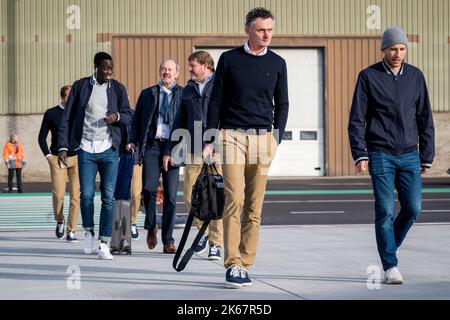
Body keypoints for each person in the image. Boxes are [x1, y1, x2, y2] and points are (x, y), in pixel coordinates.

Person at [203, 7, 289, 288]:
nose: (267, 35)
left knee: (254, 206)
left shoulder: (278, 63)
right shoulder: (229, 60)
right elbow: (215, 100)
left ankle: (245, 262)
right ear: (248, 30)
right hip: (232, 136)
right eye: (261, 30)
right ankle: (232, 264)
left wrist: (276, 137)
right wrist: (209, 138)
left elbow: (282, 103)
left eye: (270, 30)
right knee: (235, 199)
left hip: (263, 139)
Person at [348, 26, 435, 284]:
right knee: (385, 210)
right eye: (393, 49)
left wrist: (426, 154)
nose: (397, 53)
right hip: (380, 154)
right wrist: (360, 153)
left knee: (413, 208)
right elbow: (356, 119)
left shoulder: (415, 76)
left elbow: (425, 118)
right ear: (384, 49)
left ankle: (390, 247)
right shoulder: (368, 77)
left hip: (410, 154)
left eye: (401, 48)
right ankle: (390, 266)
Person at [58, 52, 132, 260]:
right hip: (86, 150)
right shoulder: (81, 87)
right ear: (96, 67)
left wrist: (116, 117)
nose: (109, 71)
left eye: (111, 68)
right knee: (87, 195)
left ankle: (104, 243)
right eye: (105, 68)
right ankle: (89, 231)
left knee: (109, 197)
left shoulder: (117, 88)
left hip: (109, 150)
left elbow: (128, 115)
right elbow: (68, 117)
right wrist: (63, 146)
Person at [163, 51, 223, 261]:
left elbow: (226, 116)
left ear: (206, 66)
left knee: (216, 197)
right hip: (193, 149)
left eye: (193, 66)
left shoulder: (220, 85)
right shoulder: (188, 90)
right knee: (190, 195)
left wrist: (215, 141)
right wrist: (169, 149)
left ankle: (216, 243)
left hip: (217, 150)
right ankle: (202, 233)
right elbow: (179, 120)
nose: (189, 70)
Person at [128, 59, 183, 254]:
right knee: (149, 190)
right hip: (151, 146)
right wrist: (132, 140)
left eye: (170, 70)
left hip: (173, 147)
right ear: (159, 71)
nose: (166, 72)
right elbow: (136, 121)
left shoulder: (183, 94)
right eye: (163, 69)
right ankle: (151, 225)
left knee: (171, 196)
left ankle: (168, 240)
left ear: (176, 73)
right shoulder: (148, 93)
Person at [38, 85, 80, 242]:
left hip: (76, 158)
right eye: (69, 97)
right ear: (63, 97)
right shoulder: (51, 113)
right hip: (57, 158)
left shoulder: (78, 113)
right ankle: (60, 219)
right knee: (59, 195)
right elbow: (41, 137)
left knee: (76, 196)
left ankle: (72, 231)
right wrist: (49, 157)